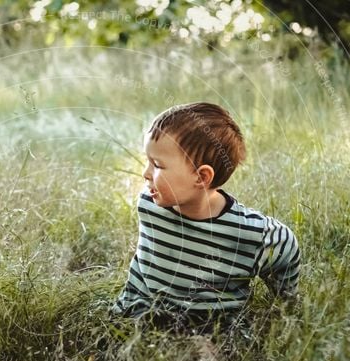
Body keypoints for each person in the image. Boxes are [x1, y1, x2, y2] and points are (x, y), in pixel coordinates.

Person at [111, 102, 301, 335]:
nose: (146, 174)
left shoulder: (249, 233)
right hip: (145, 313)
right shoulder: (149, 205)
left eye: (158, 165)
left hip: (212, 326)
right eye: (148, 161)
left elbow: (285, 243)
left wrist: (286, 298)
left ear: (201, 177)